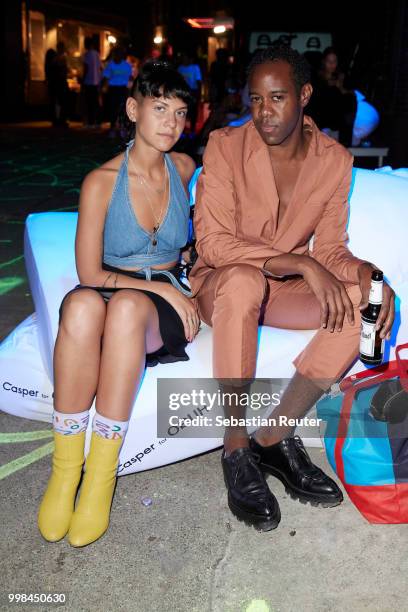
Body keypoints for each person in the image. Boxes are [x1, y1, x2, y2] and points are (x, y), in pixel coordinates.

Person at [189, 46, 395, 532]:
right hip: (221, 284)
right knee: (242, 281)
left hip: (279, 289)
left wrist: (367, 273)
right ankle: (237, 446)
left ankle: (274, 438)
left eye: (277, 98)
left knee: (362, 301)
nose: (264, 113)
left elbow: (331, 248)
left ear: (303, 95)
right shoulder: (225, 145)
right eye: (256, 99)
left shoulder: (334, 160)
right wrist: (297, 261)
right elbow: (214, 244)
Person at [37, 60, 199, 547]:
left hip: (153, 304)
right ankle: (66, 471)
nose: (171, 123)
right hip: (116, 286)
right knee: (83, 306)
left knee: (128, 308)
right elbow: (90, 274)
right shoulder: (101, 182)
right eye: (159, 108)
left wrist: (180, 277)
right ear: (133, 109)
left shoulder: (186, 168)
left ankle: (100, 479)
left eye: (180, 112)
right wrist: (163, 288)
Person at [101, 46, 133, 137]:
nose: (117, 55)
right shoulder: (110, 65)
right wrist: (102, 87)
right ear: (114, 55)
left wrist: (130, 90)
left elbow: (130, 78)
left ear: (122, 55)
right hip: (113, 89)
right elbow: (105, 77)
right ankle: (112, 128)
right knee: (113, 109)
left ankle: (122, 128)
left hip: (123, 89)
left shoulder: (127, 65)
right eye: (116, 54)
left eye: (119, 54)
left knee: (122, 109)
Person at [178, 54, 202, 133]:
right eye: (183, 58)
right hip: (183, 92)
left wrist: (198, 93)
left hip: (193, 91)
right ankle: (182, 128)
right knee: (183, 110)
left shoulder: (195, 68)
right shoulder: (180, 68)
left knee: (193, 111)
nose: (184, 60)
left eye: (185, 58)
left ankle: (192, 129)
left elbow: (199, 81)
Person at [82, 37, 102, 128]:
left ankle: (90, 122)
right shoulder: (97, 54)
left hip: (88, 81)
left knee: (89, 102)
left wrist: (83, 79)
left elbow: (86, 68)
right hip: (96, 81)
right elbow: (99, 68)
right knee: (95, 102)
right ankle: (97, 121)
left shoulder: (87, 54)